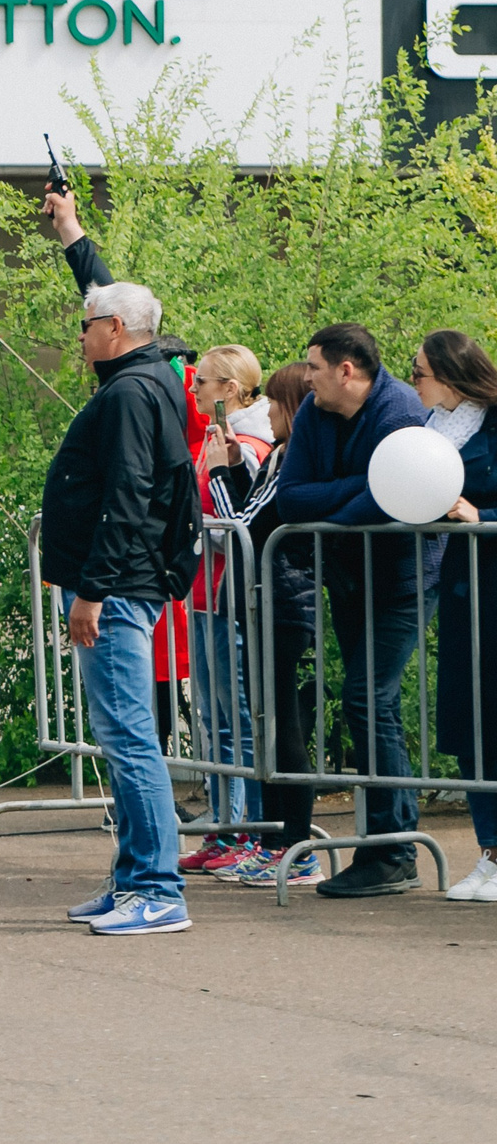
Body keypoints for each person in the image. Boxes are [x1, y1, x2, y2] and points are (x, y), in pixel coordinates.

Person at [232, 322, 432, 898]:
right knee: (370, 703)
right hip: (347, 576)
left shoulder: (398, 411)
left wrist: (343, 506)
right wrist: (359, 491)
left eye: (315, 366)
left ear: (347, 370)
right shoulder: (318, 415)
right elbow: (292, 497)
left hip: (405, 578)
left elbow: (389, 498)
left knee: (369, 699)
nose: (307, 376)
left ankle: (393, 851)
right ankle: (386, 849)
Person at [41, 280, 199, 935]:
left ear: (115, 328)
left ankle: (158, 887)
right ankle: (135, 876)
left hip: (117, 588)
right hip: (125, 583)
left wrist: (95, 589)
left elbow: (130, 491)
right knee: (124, 737)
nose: (78, 335)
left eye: (85, 323)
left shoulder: (133, 390)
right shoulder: (147, 379)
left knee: (132, 739)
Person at [205, 359, 321, 889]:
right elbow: (254, 506)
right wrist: (234, 467)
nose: (267, 413)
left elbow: (244, 525)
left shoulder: (294, 455)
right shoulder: (277, 456)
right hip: (262, 600)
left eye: (275, 404)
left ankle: (293, 845)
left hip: (283, 602)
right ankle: (277, 840)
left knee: (280, 725)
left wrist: (215, 473)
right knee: (267, 721)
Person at [409, 332, 497, 901]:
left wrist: (479, 513)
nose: (412, 379)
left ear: (449, 372)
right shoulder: (428, 433)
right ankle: (488, 852)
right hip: (464, 589)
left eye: (417, 371)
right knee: (471, 724)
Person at [175, 346, 267, 876]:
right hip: (205, 595)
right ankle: (225, 825)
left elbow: (237, 519)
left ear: (231, 390)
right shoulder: (215, 439)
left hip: (230, 595)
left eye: (203, 382)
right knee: (213, 719)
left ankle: (247, 829)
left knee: (236, 720)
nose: (195, 389)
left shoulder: (246, 443)